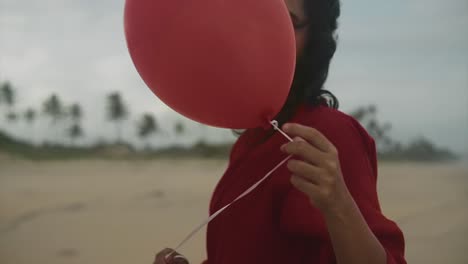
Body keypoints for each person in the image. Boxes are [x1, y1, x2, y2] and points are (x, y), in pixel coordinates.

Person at [154, 0, 406, 263]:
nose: (269, 34)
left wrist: (339, 206)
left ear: (314, 40)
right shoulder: (250, 140)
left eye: (288, 22)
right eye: (259, 19)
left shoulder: (329, 134)